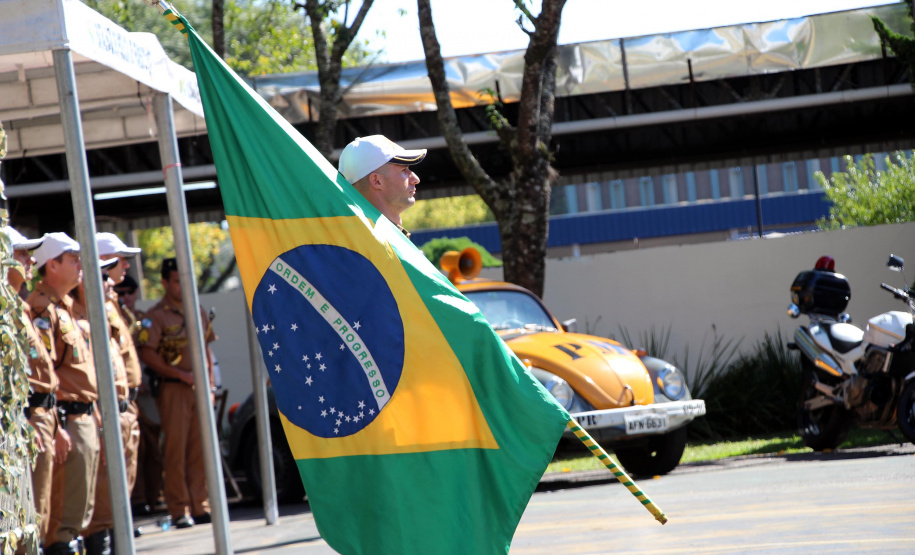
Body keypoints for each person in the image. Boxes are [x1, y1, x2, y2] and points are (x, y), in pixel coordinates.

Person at [27, 233, 99, 555]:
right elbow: (45, 371)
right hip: (64, 414)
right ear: (52, 265)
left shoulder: (67, 306)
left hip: (80, 412)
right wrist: (59, 422)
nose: (81, 265)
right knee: (60, 515)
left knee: (80, 506)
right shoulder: (42, 307)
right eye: (73, 258)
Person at [137, 258, 217, 529]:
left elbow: (206, 350)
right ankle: (179, 508)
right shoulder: (156, 315)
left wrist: (211, 384)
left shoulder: (198, 310)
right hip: (173, 390)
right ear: (164, 283)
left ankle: (200, 505)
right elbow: (147, 354)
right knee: (175, 450)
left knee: (200, 449)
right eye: (175, 280)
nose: (181, 286)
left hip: (199, 389)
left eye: (184, 279)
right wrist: (181, 374)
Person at [5, 227, 67, 548]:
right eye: (21, 253)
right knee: (19, 523)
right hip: (20, 424)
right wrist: (28, 420)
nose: (31, 259)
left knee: (37, 514)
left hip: (39, 418)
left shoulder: (21, 308)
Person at [69, 258, 126, 555]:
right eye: (103, 276)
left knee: (119, 500)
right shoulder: (74, 316)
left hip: (119, 412)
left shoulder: (103, 315)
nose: (111, 282)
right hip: (96, 415)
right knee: (101, 504)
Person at [337, 135, 426, 235]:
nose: (416, 179)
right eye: (404, 170)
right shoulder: (372, 241)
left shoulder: (358, 237)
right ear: (376, 181)